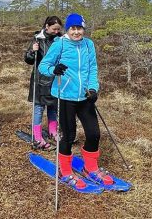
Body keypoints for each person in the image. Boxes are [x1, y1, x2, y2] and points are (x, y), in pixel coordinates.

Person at [39, 13, 113, 190]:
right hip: (65, 96)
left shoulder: (88, 44)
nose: (77, 32)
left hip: (85, 97)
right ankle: (65, 171)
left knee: (94, 133)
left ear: (83, 29)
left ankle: (91, 168)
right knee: (69, 136)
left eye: (80, 28)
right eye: (73, 28)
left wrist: (94, 89)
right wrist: (54, 69)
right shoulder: (60, 44)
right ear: (68, 29)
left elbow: (93, 68)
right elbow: (43, 66)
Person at [24, 16, 63, 150]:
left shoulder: (60, 40)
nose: (56, 31)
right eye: (54, 29)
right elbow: (28, 60)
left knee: (53, 106)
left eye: (58, 29)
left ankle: (53, 132)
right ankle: (37, 136)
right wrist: (32, 52)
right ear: (47, 26)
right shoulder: (37, 39)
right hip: (40, 79)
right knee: (39, 108)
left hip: (55, 78)